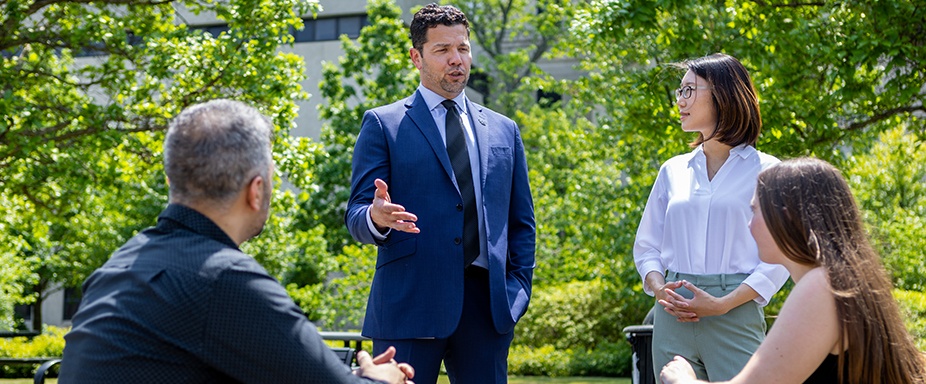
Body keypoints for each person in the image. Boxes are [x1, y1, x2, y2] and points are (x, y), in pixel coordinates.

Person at [59, 99, 414, 384]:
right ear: (256, 190)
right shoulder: (220, 279)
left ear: (173, 178)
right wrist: (382, 378)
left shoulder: (116, 268)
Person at [344, 3, 536, 384]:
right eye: (442, 50)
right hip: (408, 306)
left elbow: (521, 222)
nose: (456, 59)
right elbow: (357, 215)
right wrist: (375, 217)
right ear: (417, 57)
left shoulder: (504, 130)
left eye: (462, 49)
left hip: (488, 310)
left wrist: (517, 291)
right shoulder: (383, 123)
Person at [661, 157, 926, 383]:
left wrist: (683, 379)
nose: (748, 225)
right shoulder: (839, 281)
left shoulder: (822, 287)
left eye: (754, 211)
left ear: (786, 217)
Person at [632, 53, 790, 380]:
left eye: (689, 90)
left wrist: (724, 303)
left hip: (734, 311)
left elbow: (783, 257)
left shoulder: (768, 171)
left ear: (723, 94)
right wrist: (660, 288)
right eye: (679, 91)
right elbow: (647, 246)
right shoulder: (672, 170)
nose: (680, 100)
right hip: (672, 313)